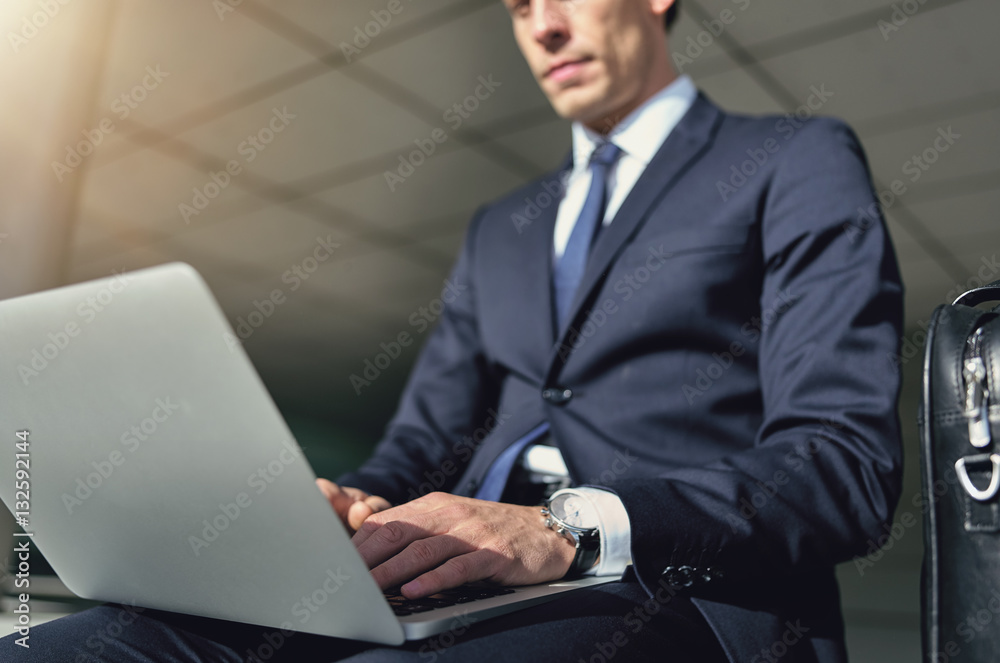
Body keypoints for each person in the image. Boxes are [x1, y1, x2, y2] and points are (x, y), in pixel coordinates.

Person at [1, 0, 903, 660]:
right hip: (444, 585)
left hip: (667, 592)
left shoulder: (794, 158)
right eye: (518, 9)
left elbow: (842, 463)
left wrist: (566, 526)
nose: (542, 28)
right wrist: (335, 508)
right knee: (63, 649)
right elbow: (420, 451)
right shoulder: (500, 228)